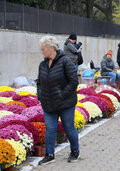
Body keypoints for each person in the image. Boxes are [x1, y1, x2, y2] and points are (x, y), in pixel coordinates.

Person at [37, 36, 79, 165]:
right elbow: (39, 82)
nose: (42, 51)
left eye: (43, 49)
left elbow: (73, 82)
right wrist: (40, 95)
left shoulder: (65, 61)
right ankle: (49, 155)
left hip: (65, 103)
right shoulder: (43, 64)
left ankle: (75, 151)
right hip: (48, 104)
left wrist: (61, 95)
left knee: (69, 127)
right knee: (50, 129)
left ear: (51, 48)